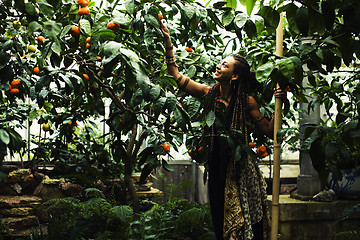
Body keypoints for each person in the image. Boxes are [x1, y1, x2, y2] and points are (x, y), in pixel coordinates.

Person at [160, 20, 286, 240]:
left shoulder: (247, 102)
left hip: (237, 167)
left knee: (244, 221)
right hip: (216, 164)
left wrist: (280, 103)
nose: (218, 66)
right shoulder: (210, 93)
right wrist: (168, 42)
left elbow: (268, 131)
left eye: (224, 65)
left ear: (234, 76)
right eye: (220, 63)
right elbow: (176, 75)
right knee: (220, 218)